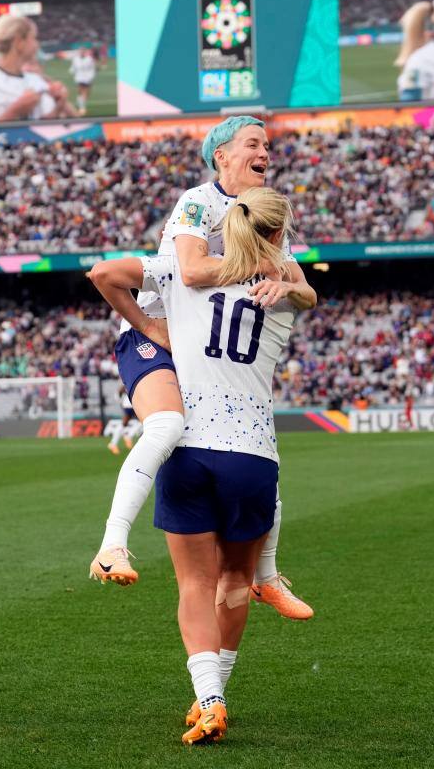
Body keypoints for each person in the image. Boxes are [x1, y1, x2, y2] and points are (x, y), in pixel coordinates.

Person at [90, 186, 309, 745]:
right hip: (254, 459)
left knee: (193, 583)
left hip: (189, 450)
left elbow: (105, 273)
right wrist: (287, 277)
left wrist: (148, 327)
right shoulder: (279, 296)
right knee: (235, 579)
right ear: (279, 237)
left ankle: (208, 698)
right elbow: (307, 291)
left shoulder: (181, 275)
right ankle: (219, 689)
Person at [87, 116, 317, 621]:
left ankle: (267, 576)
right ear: (223, 157)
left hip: (202, 343)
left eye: (267, 145)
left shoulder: (260, 214)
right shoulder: (199, 201)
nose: (266, 153)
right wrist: (149, 328)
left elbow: (304, 287)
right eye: (254, 144)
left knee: (249, 435)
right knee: (168, 425)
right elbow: (190, 271)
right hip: (160, 338)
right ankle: (112, 545)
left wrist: (287, 285)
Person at [0, 15, 77, 123]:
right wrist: (14, 111)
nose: (37, 44)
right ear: (19, 42)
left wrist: (59, 105)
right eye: (33, 38)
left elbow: (41, 129)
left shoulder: (35, 80)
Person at [108, 385, 139, 455]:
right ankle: (114, 443)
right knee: (126, 423)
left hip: (133, 403)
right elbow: (120, 391)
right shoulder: (128, 380)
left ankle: (126, 438)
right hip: (130, 404)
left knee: (139, 422)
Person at [69, 47, 98, 116]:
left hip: (88, 77)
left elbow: (92, 68)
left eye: (83, 51)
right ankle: (82, 108)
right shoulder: (75, 59)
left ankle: (80, 103)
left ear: (85, 52)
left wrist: (92, 76)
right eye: (80, 51)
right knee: (81, 91)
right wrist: (71, 70)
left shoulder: (89, 59)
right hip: (79, 77)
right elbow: (73, 67)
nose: (81, 52)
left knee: (87, 93)